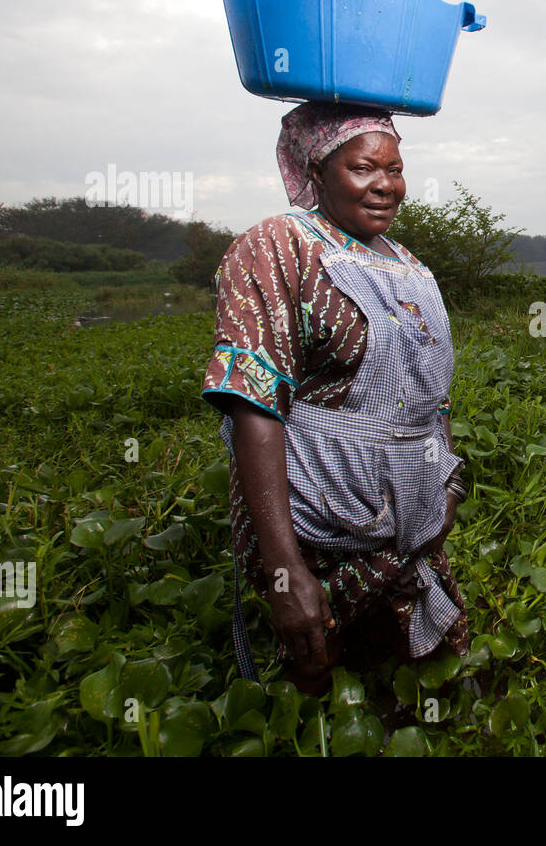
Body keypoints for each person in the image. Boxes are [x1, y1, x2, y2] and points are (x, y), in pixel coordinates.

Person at [201, 101, 469, 695]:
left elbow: (433, 401)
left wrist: (446, 487)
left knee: (417, 681)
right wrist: (282, 569)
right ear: (317, 172)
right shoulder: (278, 248)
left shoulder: (410, 267)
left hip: (408, 526)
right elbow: (253, 402)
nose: (386, 186)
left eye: (395, 169)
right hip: (315, 529)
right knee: (317, 680)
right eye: (363, 168)